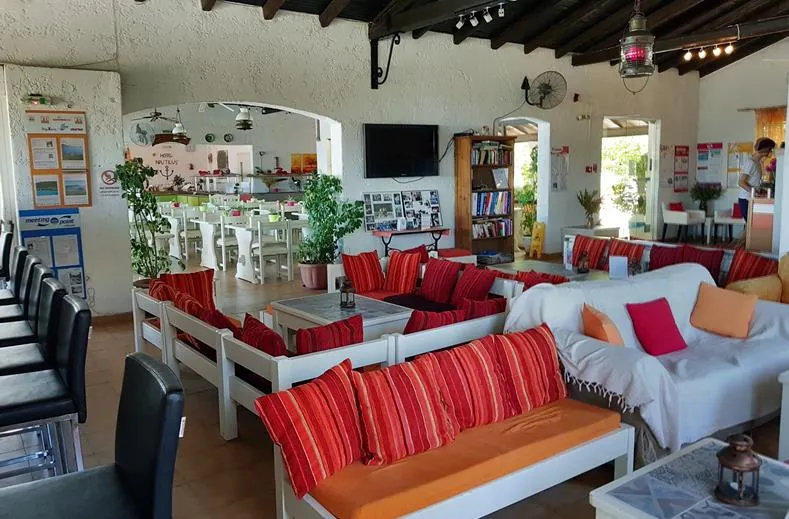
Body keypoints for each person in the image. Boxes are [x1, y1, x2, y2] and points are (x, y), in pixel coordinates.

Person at [738, 137, 776, 221]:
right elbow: (741, 182)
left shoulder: (758, 163)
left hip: (751, 199)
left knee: (752, 226)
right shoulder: (750, 162)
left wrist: (763, 191)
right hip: (746, 200)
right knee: (750, 226)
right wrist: (756, 193)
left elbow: (754, 183)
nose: (771, 152)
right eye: (771, 149)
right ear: (765, 150)